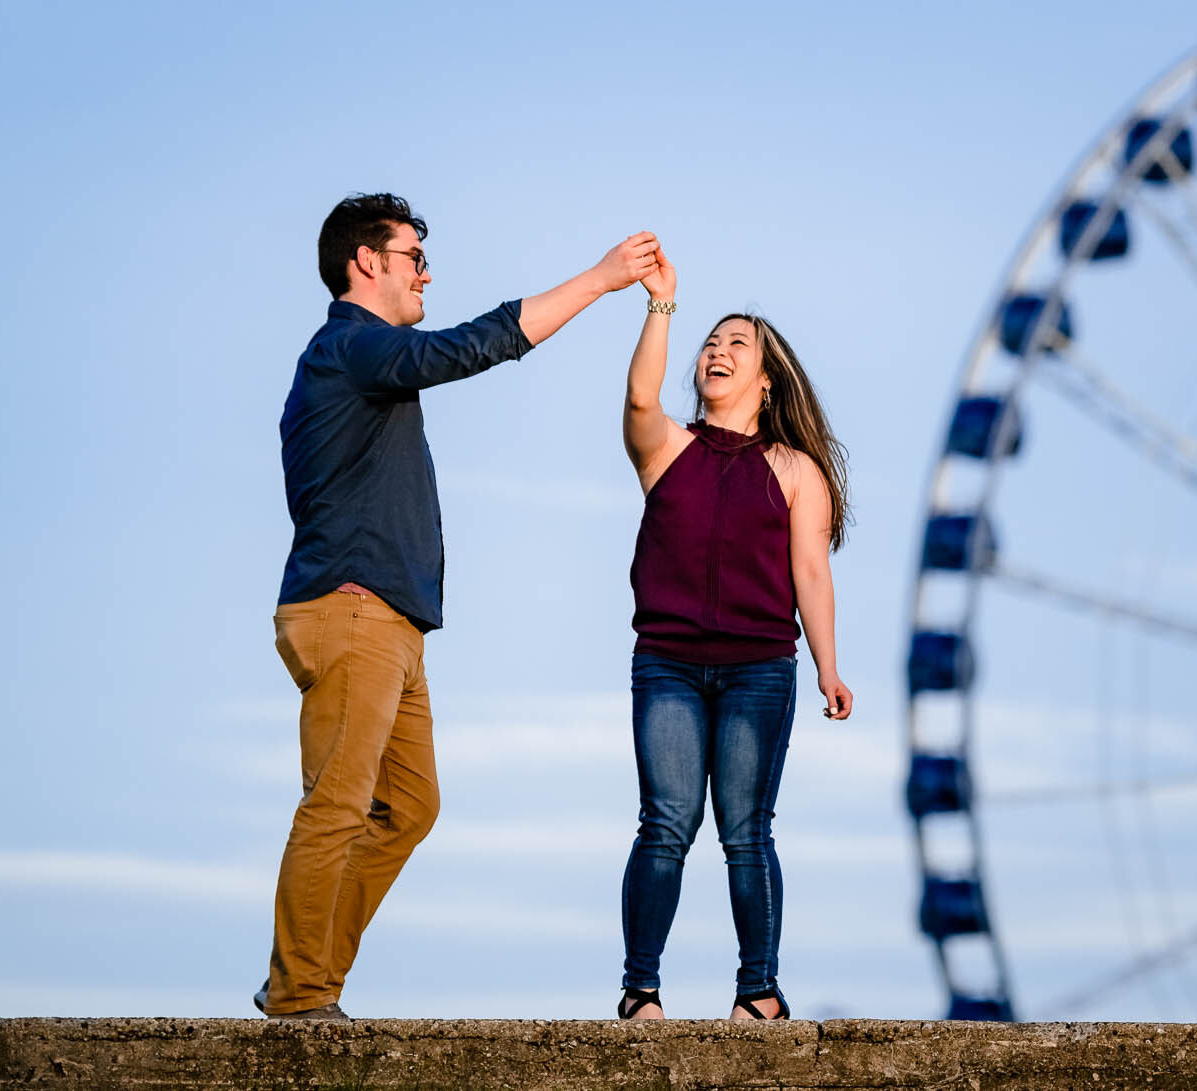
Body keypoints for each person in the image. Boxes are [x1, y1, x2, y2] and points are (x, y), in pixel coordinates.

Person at [260, 192, 659, 1020]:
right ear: (365, 262)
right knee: (337, 802)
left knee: (409, 804)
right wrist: (601, 279)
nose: (425, 274)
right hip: (354, 610)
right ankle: (302, 995)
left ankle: (307, 977)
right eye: (412, 257)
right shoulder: (351, 347)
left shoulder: (352, 359)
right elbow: (470, 347)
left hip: (392, 619)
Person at [615, 238, 852, 1023]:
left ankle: (759, 991)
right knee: (666, 824)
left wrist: (828, 667)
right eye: (709, 343)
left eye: (735, 343)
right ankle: (640, 990)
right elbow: (641, 398)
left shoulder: (795, 471)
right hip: (669, 664)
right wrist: (661, 303)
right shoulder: (666, 450)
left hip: (759, 668)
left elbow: (811, 575)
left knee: (747, 831)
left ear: (764, 375)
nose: (716, 351)